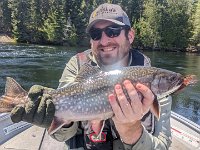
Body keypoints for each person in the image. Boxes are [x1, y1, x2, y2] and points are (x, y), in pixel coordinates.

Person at [10, 3, 172, 150]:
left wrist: (130, 129)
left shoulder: (151, 77)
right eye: (96, 34)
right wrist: (50, 117)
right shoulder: (78, 65)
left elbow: (162, 147)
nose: (104, 40)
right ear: (91, 41)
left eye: (113, 31)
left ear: (130, 35)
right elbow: (62, 136)